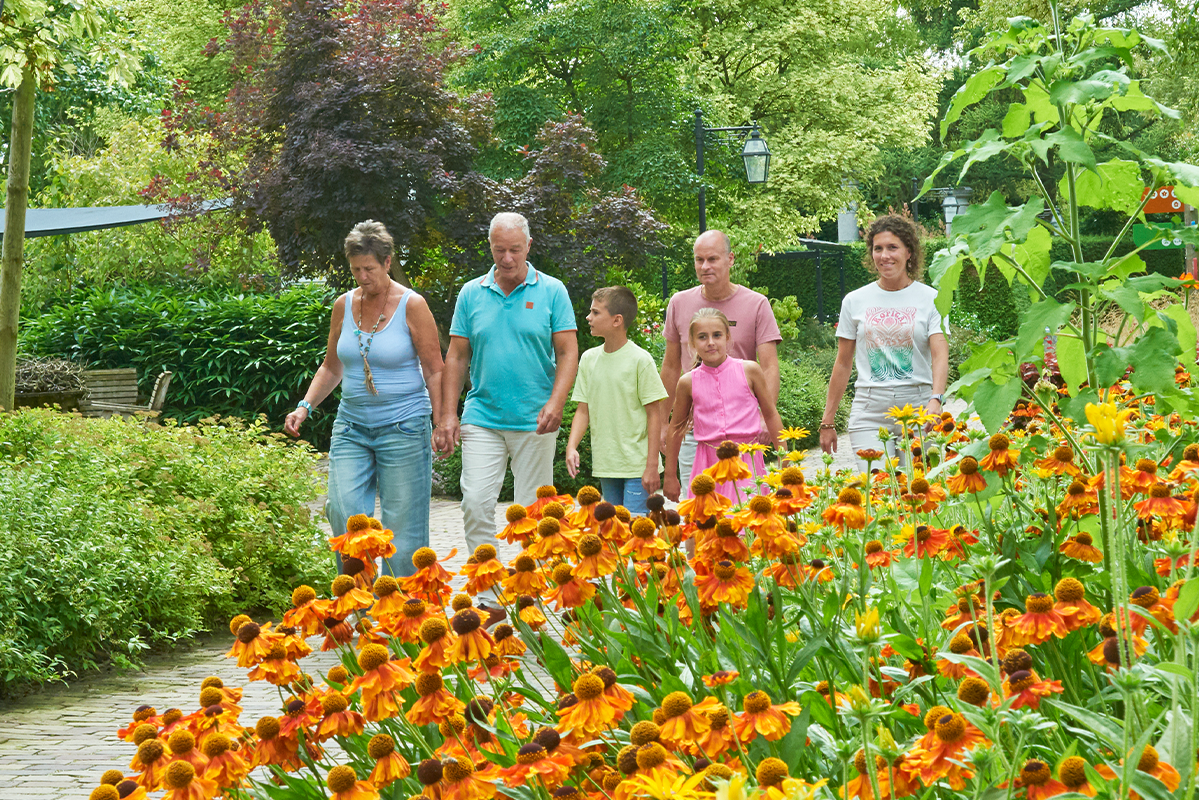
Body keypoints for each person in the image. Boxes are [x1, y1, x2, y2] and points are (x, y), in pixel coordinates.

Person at [284, 220, 443, 578]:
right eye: (355, 269)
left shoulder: (412, 305)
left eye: (369, 269)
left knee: (404, 528)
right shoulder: (344, 305)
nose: (362, 277)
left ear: (387, 262)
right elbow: (331, 367)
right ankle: (358, 599)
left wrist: (443, 421)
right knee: (344, 513)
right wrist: (304, 406)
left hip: (404, 427)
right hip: (352, 427)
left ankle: (403, 606)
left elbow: (435, 369)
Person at [436, 212, 578, 610]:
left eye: (515, 249)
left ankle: (531, 595)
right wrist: (448, 415)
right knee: (475, 501)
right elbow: (457, 356)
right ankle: (490, 596)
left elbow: (568, 352)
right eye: (500, 250)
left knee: (532, 510)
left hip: (536, 419)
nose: (508, 258)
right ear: (490, 247)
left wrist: (556, 402)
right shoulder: (472, 293)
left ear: (529, 246)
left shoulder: (552, 291)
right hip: (482, 415)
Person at [819, 214, 949, 471]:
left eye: (892, 247)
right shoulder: (854, 301)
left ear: (909, 252)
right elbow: (843, 363)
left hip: (919, 407)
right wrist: (828, 421)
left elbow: (939, 354)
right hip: (870, 410)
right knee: (877, 486)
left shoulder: (932, 299)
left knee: (917, 487)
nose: (884, 256)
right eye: (878, 248)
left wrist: (936, 399)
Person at [660, 230, 781, 495]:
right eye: (699, 260)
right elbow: (670, 366)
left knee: (745, 506)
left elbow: (769, 367)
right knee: (700, 508)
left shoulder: (756, 304)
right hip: (695, 432)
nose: (705, 266)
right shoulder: (679, 303)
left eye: (712, 259)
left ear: (730, 259)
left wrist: (764, 417)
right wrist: (662, 422)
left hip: (742, 432)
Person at [564, 286, 668, 514]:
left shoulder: (641, 360)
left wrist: (652, 465)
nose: (588, 317)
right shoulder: (588, 359)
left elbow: (654, 414)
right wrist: (571, 447)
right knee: (612, 528)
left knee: (634, 527)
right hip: (607, 465)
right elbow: (583, 410)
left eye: (595, 312)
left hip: (638, 466)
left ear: (617, 320)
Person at [664, 308, 784, 502]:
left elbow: (770, 414)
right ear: (692, 342)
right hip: (707, 463)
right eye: (702, 337)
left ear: (728, 337)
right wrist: (670, 475)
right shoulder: (688, 382)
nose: (710, 342)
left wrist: (784, 459)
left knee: (747, 515)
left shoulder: (749, 370)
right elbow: (676, 428)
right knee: (710, 517)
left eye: (717, 335)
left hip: (747, 461)